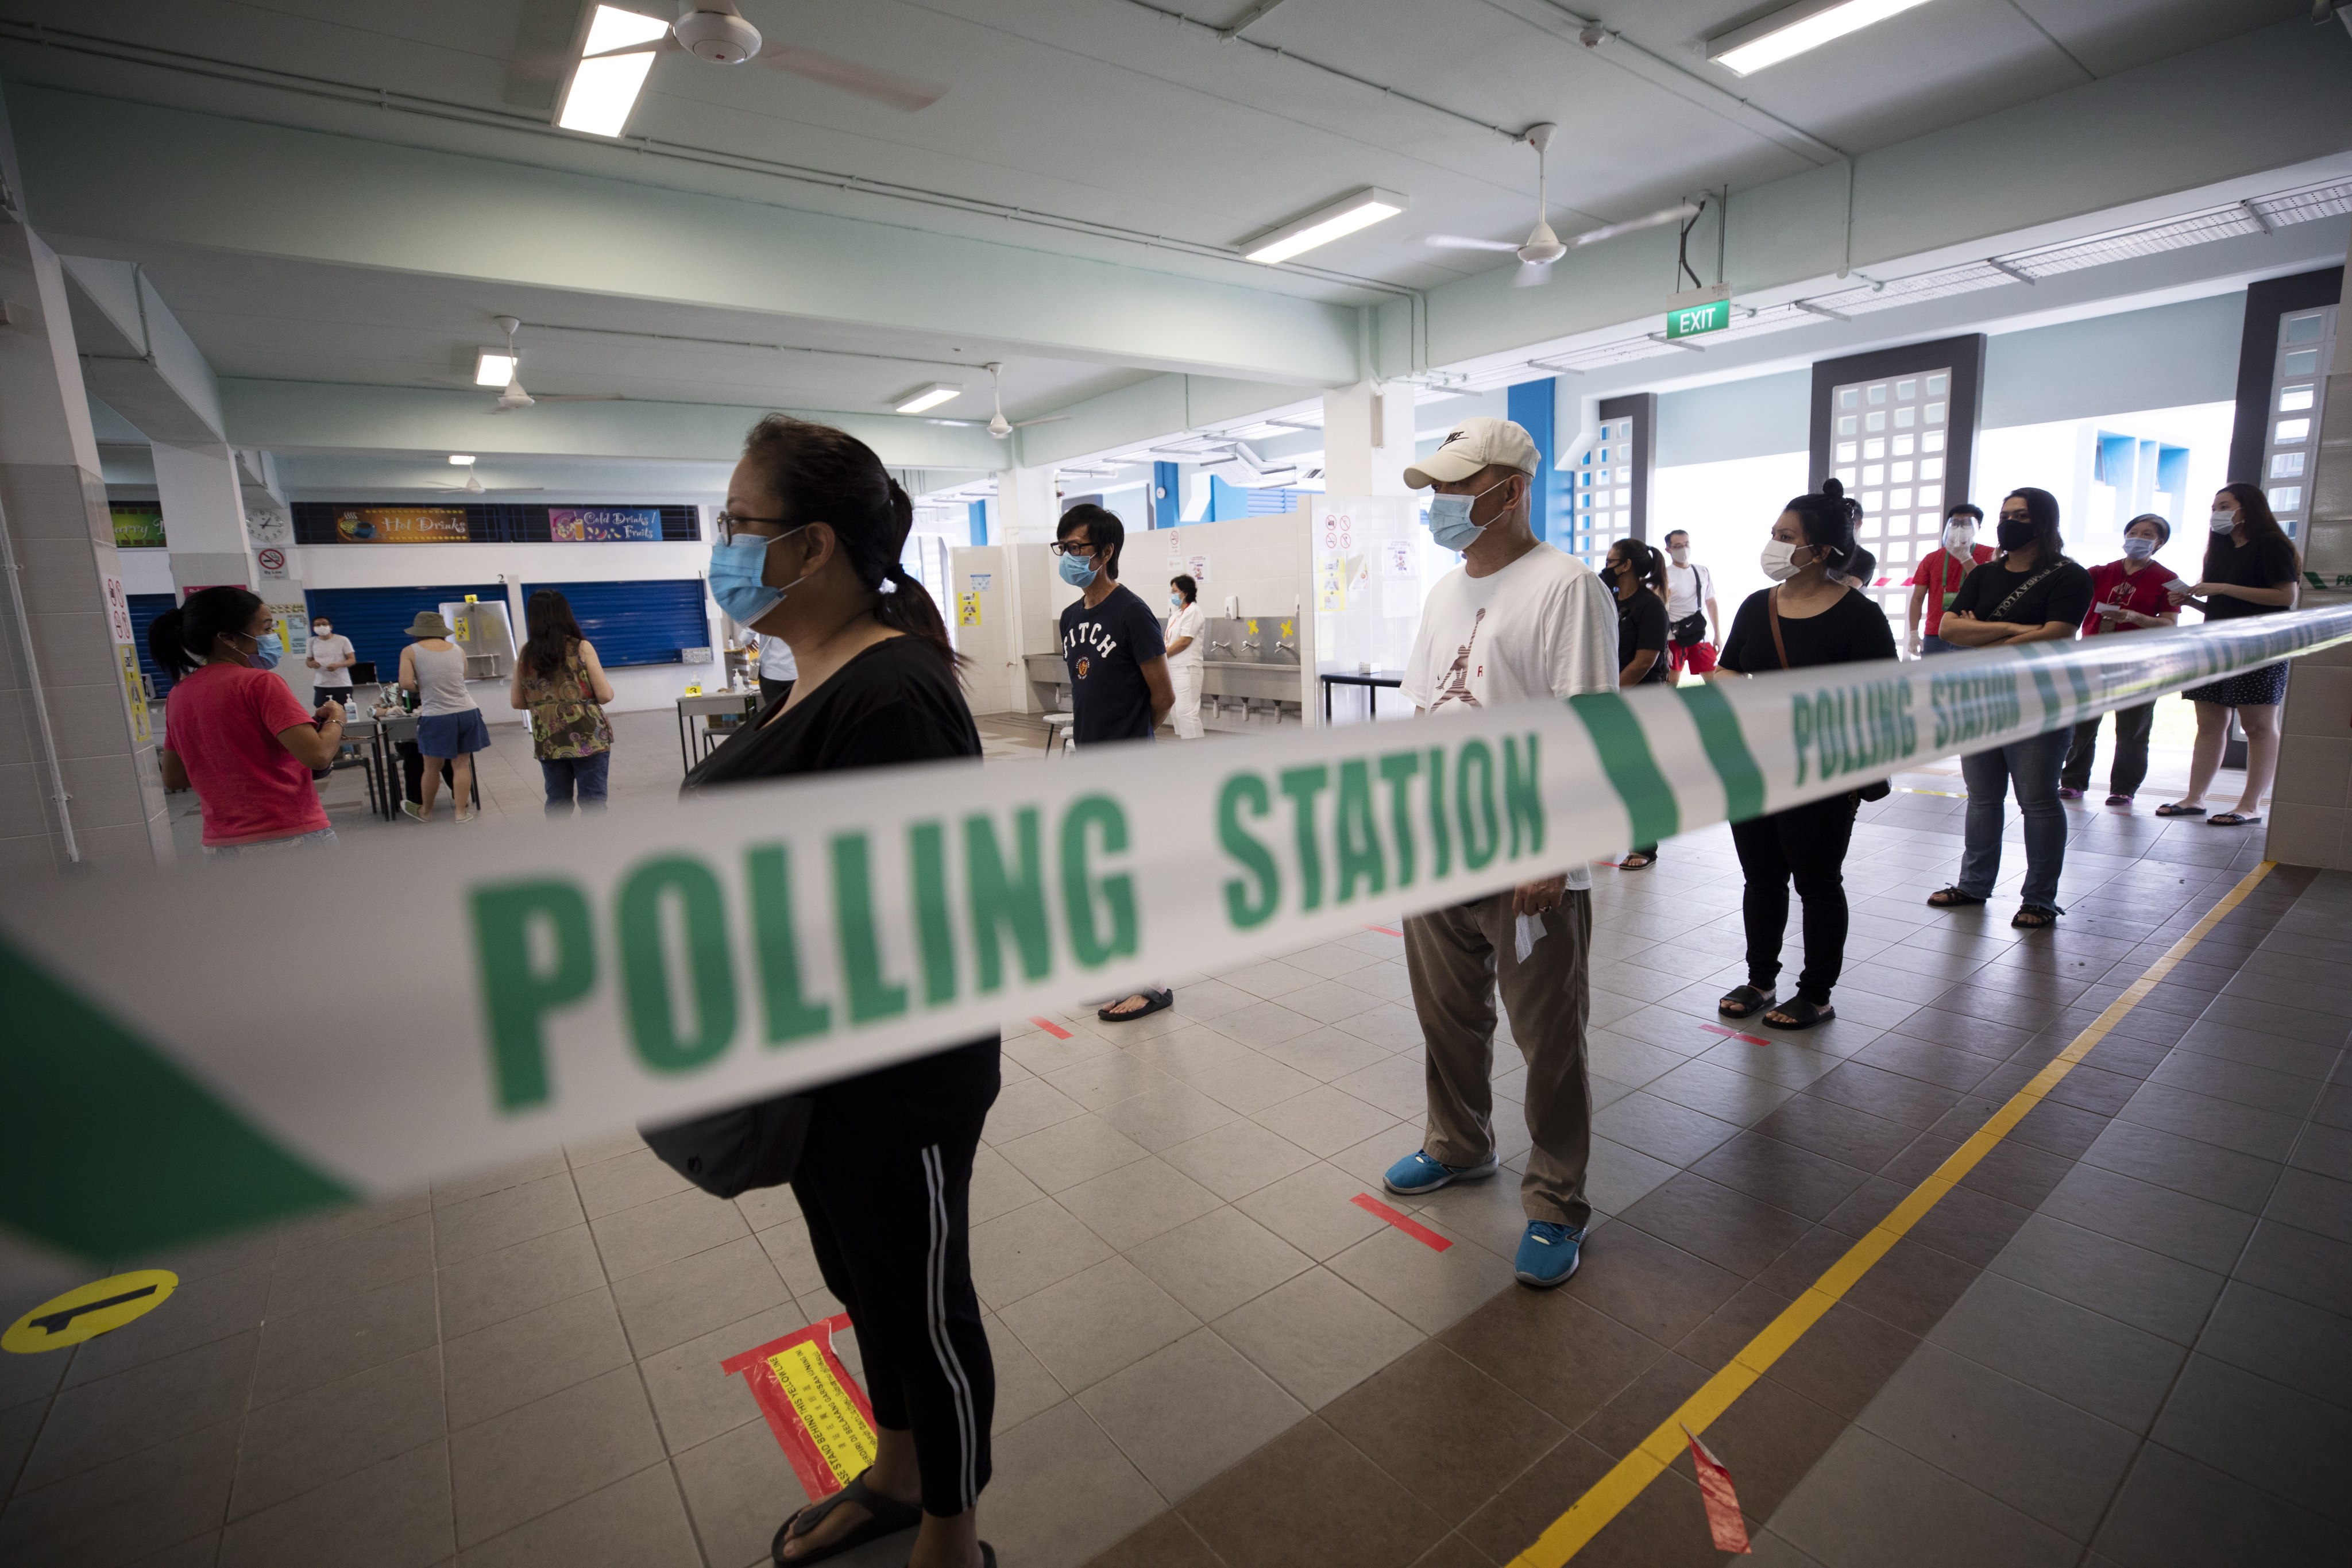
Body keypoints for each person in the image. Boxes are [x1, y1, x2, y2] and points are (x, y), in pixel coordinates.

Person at [682, 416, 998, 1568]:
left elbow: (923, 913)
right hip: (818, 1063)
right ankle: (901, 1471)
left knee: (922, 1300)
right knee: (860, 1279)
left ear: (810, 546)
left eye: (738, 525)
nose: (723, 546)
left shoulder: (895, 693)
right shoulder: (812, 674)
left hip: (898, 1078)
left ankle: (952, 1538)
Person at [1380, 415, 1619, 1291]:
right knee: (1446, 1018)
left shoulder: (1565, 587)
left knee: (1548, 1036)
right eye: (1436, 489)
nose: (1440, 505)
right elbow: (1423, 714)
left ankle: (1556, 1201)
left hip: (1526, 856)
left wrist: (1553, 854)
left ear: (1509, 490)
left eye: (1454, 487)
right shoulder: (1445, 591)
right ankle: (1458, 1143)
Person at [1710, 480, 1893, 1030]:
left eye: (1786, 537)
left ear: (1823, 549)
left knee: (1816, 882)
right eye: (1773, 534)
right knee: (1760, 878)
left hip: (1821, 770)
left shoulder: (1860, 617)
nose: (1774, 545)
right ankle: (1759, 979)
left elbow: (1882, 701)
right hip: (1755, 764)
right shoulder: (1756, 605)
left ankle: (1815, 993)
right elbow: (1726, 669)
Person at [1925, 488, 2094, 929]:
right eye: (2004, 515)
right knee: (1982, 798)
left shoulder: (2069, 576)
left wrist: (1985, 637)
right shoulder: (1983, 575)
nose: (2008, 522)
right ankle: (1973, 884)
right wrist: (2015, 630)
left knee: (2036, 800)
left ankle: (2039, 898)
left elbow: (2057, 633)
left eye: (2019, 515)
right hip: (1981, 698)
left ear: (2042, 522)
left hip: (2040, 700)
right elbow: (1948, 627)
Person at [1055, 503, 1176, 1023]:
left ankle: (1152, 983)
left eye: (1078, 548)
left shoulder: (1132, 613)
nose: (1069, 557)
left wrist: (1131, 741)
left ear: (1106, 552)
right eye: (1063, 548)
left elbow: (1163, 695)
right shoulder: (1070, 617)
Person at [149, 585, 342, 854]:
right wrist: (337, 719)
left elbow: (174, 777)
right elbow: (319, 755)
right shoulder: (260, 683)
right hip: (288, 835)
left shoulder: (179, 694)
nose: (273, 637)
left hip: (222, 844)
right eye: (266, 629)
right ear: (228, 638)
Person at [2157, 483, 2302, 828]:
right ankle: (2195, 799)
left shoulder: (2271, 545)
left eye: (2224, 505)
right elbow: (2227, 604)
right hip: (2216, 643)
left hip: (2260, 645)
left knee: (2257, 725)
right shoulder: (2220, 549)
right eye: (2214, 506)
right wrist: (2193, 600)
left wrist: (2220, 587)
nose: (2217, 513)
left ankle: (2250, 804)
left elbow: (2284, 597)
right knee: (2209, 724)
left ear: (2247, 509)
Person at [2060, 514, 2179, 805]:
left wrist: (2135, 617)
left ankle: (2123, 787)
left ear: (2159, 543)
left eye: (2148, 534)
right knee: (2082, 724)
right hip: (2094, 657)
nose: (2138, 538)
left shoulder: (2167, 579)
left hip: (2140, 662)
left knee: (2133, 729)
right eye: (2134, 532)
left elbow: (2169, 624)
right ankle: (2073, 781)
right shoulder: (2100, 573)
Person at [510, 588, 616, 816]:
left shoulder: (526, 654)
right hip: (588, 736)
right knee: (593, 800)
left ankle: (561, 848)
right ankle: (598, 848)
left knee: (558, 801)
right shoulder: (581, 648)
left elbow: (517, 701)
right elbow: (605, 695)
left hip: (549, 738)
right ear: (565, 614)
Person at [1605, 537, 1670, 870]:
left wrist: (1613, 692)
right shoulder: (1612, 602)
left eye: (1611, 560)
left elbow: (1645, 660)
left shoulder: (1650, 606)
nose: (1606, 567)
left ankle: (1644, 846)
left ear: (1626, 565)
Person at [399, 611, 488, 824]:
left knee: (431, 767)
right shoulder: (458, 650)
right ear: (442, 631)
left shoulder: (410, 651)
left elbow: (405, 684)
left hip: (437, 716)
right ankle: (460, 813)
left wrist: (427, 687)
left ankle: (426, 812)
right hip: (468, 712)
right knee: (461, 765)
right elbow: (462, 677)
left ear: (417, 632)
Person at [1905, 503, 1994, 656]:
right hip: (1935, 633)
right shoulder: (1932, 558)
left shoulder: (1989, 554)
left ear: (1977, 526)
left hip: (1971, 631)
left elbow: (1986, 588)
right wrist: (1913, 633)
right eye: (1956, 523)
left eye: (1966, 523)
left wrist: (1966, 558)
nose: (1960, 528)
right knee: (1932, 679)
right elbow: (1918, 598)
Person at [1661, 529, 1719, 679]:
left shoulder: (1701, 571)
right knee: (1671, 686)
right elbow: (1660, 613)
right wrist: (1665, 646)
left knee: (1716, 683)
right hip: (1674, 638)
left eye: (1686, 544)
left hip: (1700, 635)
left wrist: (1717, 634)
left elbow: (1711, 602)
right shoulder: (1664, 576)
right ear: (1669, 549)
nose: (1684, 549)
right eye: (1678, 546)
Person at [1164, 573, 1207, 739]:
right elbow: (1169, 640)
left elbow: (1184, 641)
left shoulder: (1194, 612)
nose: (1173, 595)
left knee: (1187, 712)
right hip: (1173, 668)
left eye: (1175, 591)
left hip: (1187, 669)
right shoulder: (1176, 615)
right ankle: (1187, 746)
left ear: (1185, 592)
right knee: (1176, 712)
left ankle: (1197, 752)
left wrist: (1162, 656)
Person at [304, 613, 356, 712]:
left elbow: (352, 660)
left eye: (324, 624)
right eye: (317, 625)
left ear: (330, 626)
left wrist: (338, 665)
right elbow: (308, 661)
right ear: (313, 628)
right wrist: (311, 664)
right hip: (321, 685)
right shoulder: (311, 641)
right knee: (322, 711)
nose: (321, 627)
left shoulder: (342, 640)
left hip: (342, 684)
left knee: (344, 711)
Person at [756, 628, 797, 709]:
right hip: (795, 672)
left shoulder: (761, 614)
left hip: (770, 673)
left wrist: (747, 642)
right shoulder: (800, 614)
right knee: (796, 713)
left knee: (774, 713)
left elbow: (746, 636)